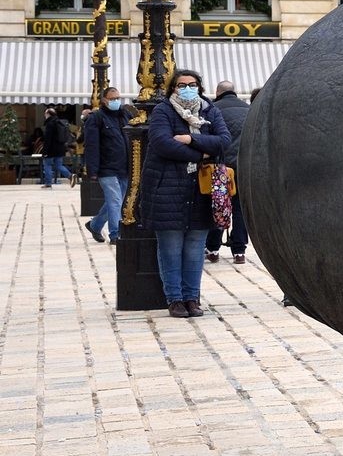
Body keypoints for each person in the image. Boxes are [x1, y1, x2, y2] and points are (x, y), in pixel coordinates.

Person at [140, 69, 231, 319]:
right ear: (173, 88)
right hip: (167, 189)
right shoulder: (163, 111)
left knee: (194, 248)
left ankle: (192, 298)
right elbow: (161, 143)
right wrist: (202, 153)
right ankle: (175, 299)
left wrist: (190, 140)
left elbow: (224, 140)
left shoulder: (210, 111)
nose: (187, 88)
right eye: (182, 85)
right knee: (170, 248)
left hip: (201, 191)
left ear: (199, 87)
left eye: (192, 84)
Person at [205, 81, 253, 264]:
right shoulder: (248, 109)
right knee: (240, 208)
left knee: (218, 206)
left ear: (217, 93)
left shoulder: (213, 110)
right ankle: (239, 251)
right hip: (243, 165)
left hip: (220, 167)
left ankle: (213, 248)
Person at [82, 87, 133, 244]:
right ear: (104, 100)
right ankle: (115, 234)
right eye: (112, 99)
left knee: (117, 201)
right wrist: (92, 170)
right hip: (106, 167)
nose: (116, 101)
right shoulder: (96, 118)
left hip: (124, 167)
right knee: (115, 201)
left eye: (118, 97)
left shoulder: (125, 115)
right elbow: (91, 145)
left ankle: (95, 225)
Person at [39, 107, 70, 188]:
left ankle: (48, 183)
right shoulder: (59, 122)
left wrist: (44, 151)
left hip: (51, 149)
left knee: (47, 165)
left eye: (45, 113)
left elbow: (47, 139)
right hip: (60, 148)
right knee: (59, 165)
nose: (44, 115)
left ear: (48, 114)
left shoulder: (50, 124)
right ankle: (70, 176)